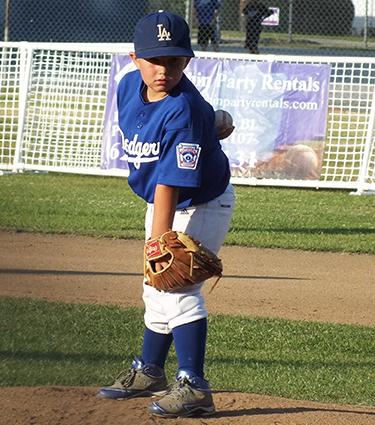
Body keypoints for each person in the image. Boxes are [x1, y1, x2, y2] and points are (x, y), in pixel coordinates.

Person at [97, 11, 235, 418]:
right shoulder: (127, 87)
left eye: (174, 61)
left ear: (188, 61)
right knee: (153, 288)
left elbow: (171, 183)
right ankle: (149, 371)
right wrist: (213, 124)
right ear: (134, 58)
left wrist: (160, 243)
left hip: (201, 202)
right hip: (160, 200)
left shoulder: (184, 108)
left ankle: (194, 386)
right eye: (154, 60)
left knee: (175, 288)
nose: (163, 70)